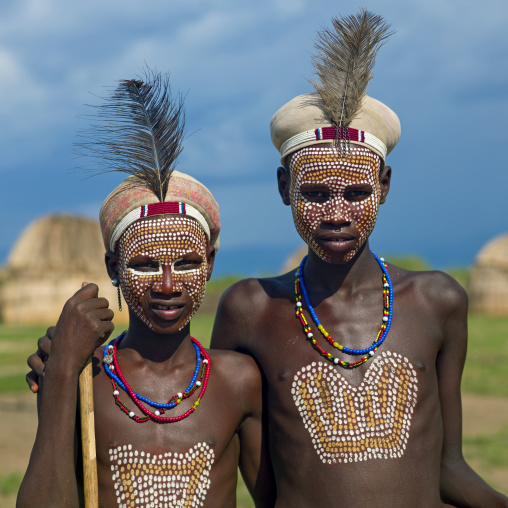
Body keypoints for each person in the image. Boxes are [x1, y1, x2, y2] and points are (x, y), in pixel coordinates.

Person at [25, 12, 508, 508]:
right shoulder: (251, 310)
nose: (336, 214)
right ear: (285, 188)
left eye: (357, 191)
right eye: (315, 193)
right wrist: (63, 367)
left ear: (384, 186)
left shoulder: (438, 301)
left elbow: (446, 465)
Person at [18, 73, 274, 508]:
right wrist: (61, 371)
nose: (168, 285)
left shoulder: (237, 381)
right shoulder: (85, 379)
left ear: (210, 263)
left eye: (188, 264)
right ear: (113, 268)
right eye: (144, 265)